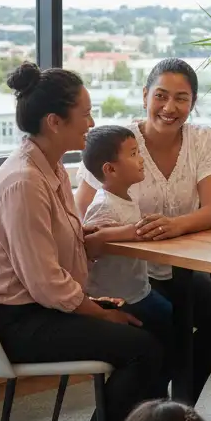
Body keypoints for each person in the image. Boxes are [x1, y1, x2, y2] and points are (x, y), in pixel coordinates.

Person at [0, 62, 167, 421]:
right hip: (15, 318)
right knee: (143, 349)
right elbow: (44, 282)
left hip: (41, 304)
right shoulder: (24, 181)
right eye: (85, 112)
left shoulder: (52, 169)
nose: (93, 123)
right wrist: (98, 311)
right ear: (54, 122)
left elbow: (65, 249)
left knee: (156, 325)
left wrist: (103, 247)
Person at [75, 58, 211, 404]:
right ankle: (152, 418)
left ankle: (177, 408)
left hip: (179, 271)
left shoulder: (202, 140)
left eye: (182, 99)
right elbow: (80, 220)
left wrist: (174, 226)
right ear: (145, 96)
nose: (170, 108)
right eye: (161, 96)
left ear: (193, 104)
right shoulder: (116, 142)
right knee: (162, 338)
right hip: (126, 278)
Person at [80, 124, 174, 334]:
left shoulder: (125, 198)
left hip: (139, 291)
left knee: (173, 321)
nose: (141, 159)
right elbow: (88, 248)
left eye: (139, 152)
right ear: (110, 169)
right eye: (133, 154)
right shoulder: (104, 205)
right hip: (119, 298)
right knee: (170, 328)